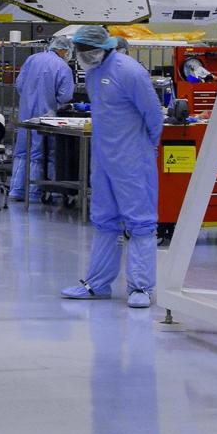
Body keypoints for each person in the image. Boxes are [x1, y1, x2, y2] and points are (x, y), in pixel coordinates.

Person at [61, 24, 163, 308]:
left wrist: (145, 148)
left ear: (102, 48)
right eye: (78, 51)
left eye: (85, 51)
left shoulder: (130, 71)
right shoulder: (94, 72)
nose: (81, 55)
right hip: (104, 158)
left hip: (132, 158)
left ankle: (141, 288)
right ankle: (97, 283)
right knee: (104, 220)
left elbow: (154, 115)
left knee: (140, 221)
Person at [9, 35, 74, 201]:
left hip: (26, 113)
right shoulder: (63, 67)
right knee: (44, 152)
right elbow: (66, 96)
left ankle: (16, 190)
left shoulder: (32, 59)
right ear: (64, 50)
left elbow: (20, 84)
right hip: (47, 116)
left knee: (23, 150)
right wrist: (56, 105)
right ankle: (37, 192)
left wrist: (30, 99)